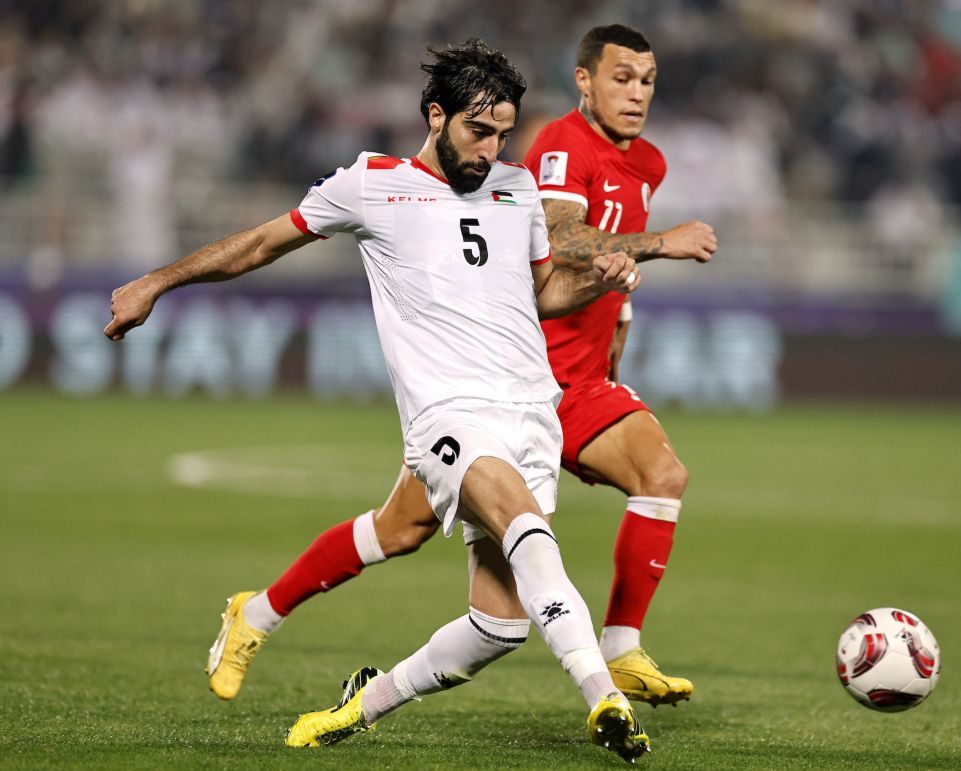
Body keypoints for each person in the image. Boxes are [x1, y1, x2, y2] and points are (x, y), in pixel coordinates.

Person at [105, 39, 650, 762]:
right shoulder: (373, 184)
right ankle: (601, 695)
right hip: (448, 415)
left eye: (501, 134)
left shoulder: (517, 189)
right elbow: (261, 244)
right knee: (525, 528)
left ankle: (350, 693)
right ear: (435, 115)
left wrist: (603, 276)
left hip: (529, 410)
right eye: (476, 131)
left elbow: (543, 293)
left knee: (498, 624)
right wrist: (155, 282)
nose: (490, 149)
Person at [203, 24, 717, 711]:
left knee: (404, 532)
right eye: (621, 77)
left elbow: (554, 273)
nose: (637, 92)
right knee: (641, 484)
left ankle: (265, 618)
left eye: (648, 80)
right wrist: (657, 244)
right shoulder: (560, 147)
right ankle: (611, 666)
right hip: (535, 383)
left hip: (533, 384)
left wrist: (615, 289)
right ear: (584, 80)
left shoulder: (635, 164)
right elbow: (565, 235)